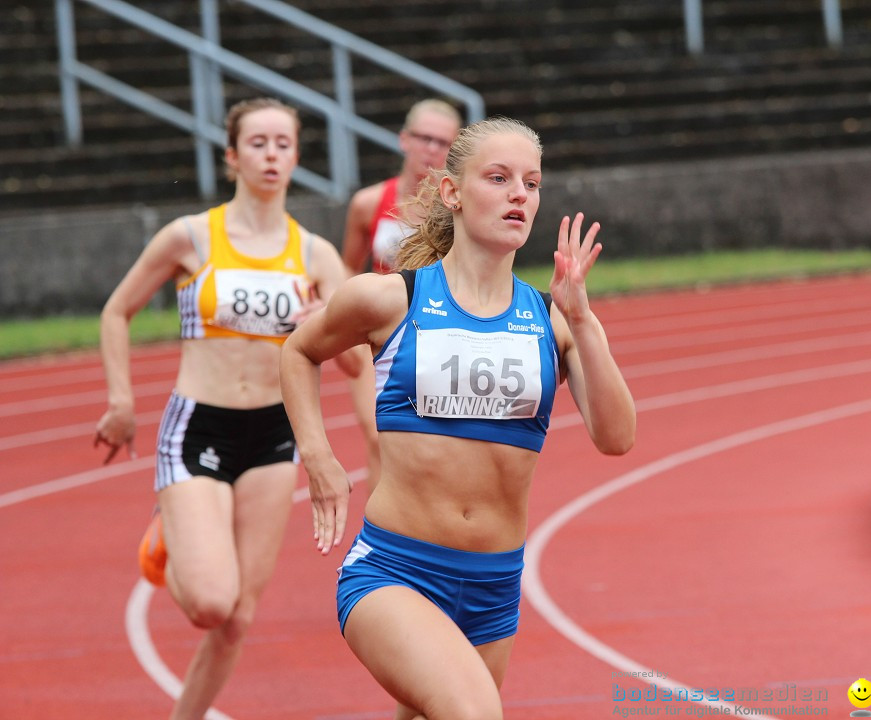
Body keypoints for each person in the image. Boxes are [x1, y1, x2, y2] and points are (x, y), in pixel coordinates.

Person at [279, 117, 636, 719]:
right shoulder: (390, 299)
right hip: (396, 571)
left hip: (494, 584)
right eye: (498, 178)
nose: (519, 194)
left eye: (532, 182)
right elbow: (298, 351)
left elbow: (617, 437)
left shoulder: (553, 319)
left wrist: (582, 322)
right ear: (452, 193)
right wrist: (318, 457)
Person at [93, 97, 358, 720]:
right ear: (233, 156)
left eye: (283, 144)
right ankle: (170, 533)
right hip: (198, 426)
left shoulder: (315, 256)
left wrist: (329, 319)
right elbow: (116, 311)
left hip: (273, 433)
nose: (272, 155)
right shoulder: (190, 237)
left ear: (296, 157)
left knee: (237, 619)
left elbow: (355, 360)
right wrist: (121, 401)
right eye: (259, 143)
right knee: (210, 602)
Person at [340, 99, 463, 493]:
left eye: (443, 142)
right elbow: (346, 267)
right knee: (381, 436)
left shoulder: (459, 209)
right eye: (424, 138)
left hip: (439, 334)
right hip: (376, 338)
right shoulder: (369, 204)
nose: (432, 149)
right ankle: (380, 533)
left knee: (441, 444)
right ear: (404, 140)